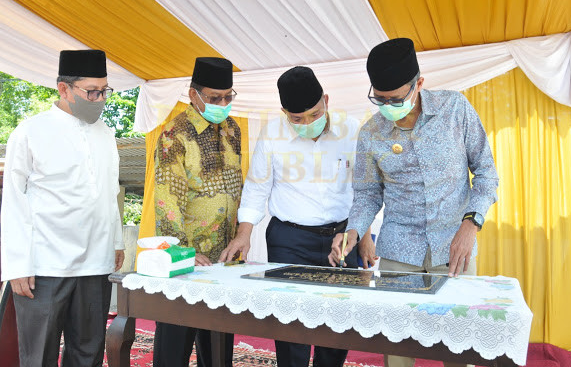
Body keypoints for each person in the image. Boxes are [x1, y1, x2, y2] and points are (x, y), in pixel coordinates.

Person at [329, 38, 499, 367]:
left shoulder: (455, 110)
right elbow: (367, 194)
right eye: (380, 99)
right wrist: (352, 233)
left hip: (454, 247)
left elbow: (487, 174)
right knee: (398, 345)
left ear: (418, 84)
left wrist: (471, 224)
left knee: (459, 343)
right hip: (399, 251)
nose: (387, 106)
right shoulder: (371, 133)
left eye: (395, 99)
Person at [220, 66, 371, 367]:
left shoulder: (352, 130)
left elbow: (364, 190)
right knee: (291, 326)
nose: (307, 124)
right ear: (284, 112)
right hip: (289, 240)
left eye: (315, 115)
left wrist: (363, 237)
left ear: (326, 101)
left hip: (341, 239)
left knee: (338, 324)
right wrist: (244, 234)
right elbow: (257, 187)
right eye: (297, 119)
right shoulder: (272, 134)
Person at [1, 49, 125, 367]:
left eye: (104, 91)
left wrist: (116, 242)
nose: (99, 99)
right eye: (91, 91)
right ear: (64, 88)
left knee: (88, 353)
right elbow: (14, 199)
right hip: (44, 266)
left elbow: (109, 193)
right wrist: (17, 265)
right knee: (38, 355)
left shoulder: (107, 134)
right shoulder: (29, 133)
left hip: (95, 263)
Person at [152, 57, 241, 367]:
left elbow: (235, 190)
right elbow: (167, 199)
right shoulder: (174, 134)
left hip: (223, 260)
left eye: (228, 96)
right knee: (173, 350)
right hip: (186, 259)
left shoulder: (232, 129)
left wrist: (239, 237)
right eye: (214, 98)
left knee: (217, 352)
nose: (223, 103)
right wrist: (181, 251)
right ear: (193, 94)